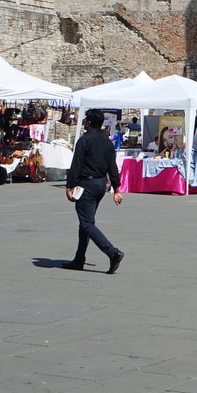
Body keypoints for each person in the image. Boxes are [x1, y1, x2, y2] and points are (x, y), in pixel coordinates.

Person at [63, 109, 125, 273]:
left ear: (89, 122)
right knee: (86, 222)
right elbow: (113, 166)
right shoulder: (107, 142)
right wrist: (116, 188)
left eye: (85, 120)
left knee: (87, 223)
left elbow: (76, 164)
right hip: (101, 184)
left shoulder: (85, 140)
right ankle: (79, 259)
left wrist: (69, 186)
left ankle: (112, 252)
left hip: (87, 184)